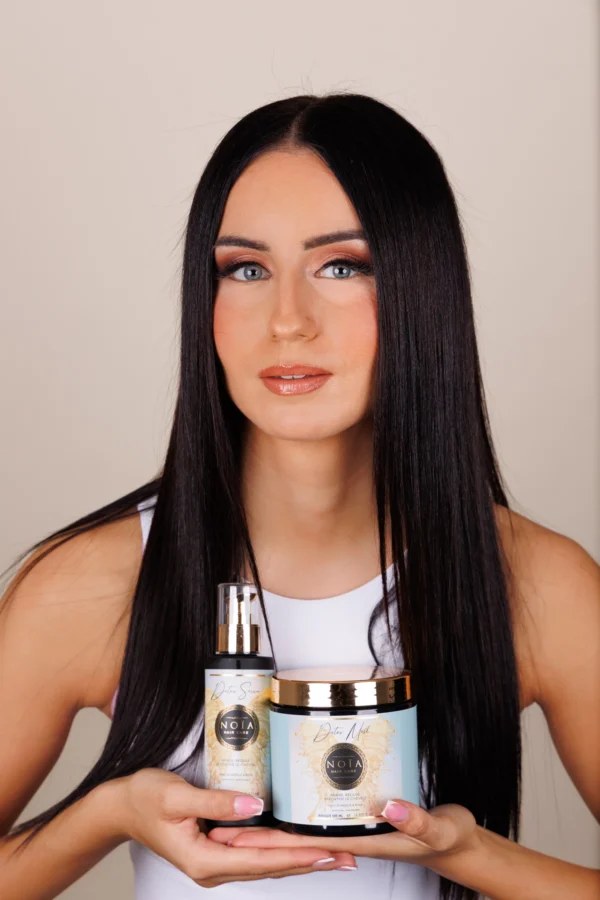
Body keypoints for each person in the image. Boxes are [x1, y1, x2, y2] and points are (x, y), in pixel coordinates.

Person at [0, 92, 598, 900]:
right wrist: (107, 815)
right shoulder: (93, 583)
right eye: (246, 270)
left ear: (423, 289)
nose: (287, 321)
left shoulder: (536, 583)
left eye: (342, 265)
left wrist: (466, 852)